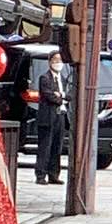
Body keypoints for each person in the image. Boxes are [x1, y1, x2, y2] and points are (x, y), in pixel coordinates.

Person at [35, 49, 68, 185]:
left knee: (57, 146)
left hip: (60, 116)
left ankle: (54, 174)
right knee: (45, 147)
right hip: (47, 117)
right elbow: (49, 96)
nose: (58, 63)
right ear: (50, 62)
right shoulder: (45, 78)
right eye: (55, 60)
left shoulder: (63, 79)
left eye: (60, 60)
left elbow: (69, 95)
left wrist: (61, 95)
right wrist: (60, 97)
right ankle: (41, 175)